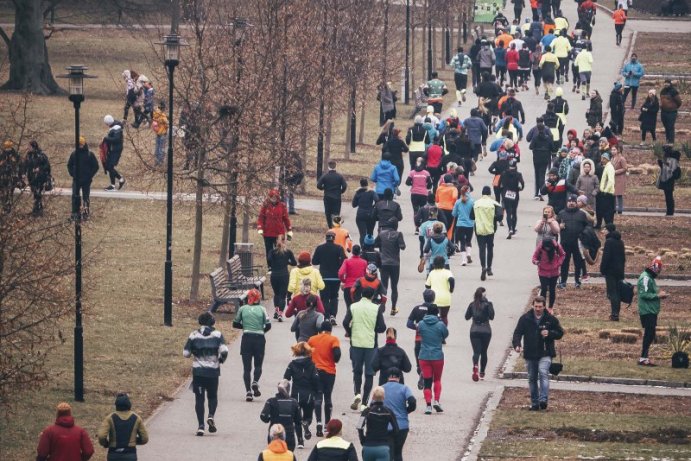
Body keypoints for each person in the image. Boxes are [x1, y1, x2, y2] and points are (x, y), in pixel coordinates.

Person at [512, 296, 564, 410]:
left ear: (544, 306)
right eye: (536, 306)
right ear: (532, 306)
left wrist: (550, 333)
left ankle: (543, 400)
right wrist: (517, 345)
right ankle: (535, 403)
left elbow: (560, 332)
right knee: (532, 378)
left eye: (540, 307)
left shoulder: (550, 319)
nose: (538, 309)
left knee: (543, 372)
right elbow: (517, 333)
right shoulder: (525, 318)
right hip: (530, 353)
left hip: (545, 352)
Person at [183, 312, 229, 435]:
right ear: (212, 322)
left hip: (198, 372)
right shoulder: (217, 335)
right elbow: (224, 351)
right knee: (212, 396)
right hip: (213, 372)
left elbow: (186, 353)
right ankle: (211, 416)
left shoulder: (193, 335)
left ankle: (201, 426)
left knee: (199, 398)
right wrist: (220, 360)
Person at [343, 286, 387, 412]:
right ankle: (364, 402)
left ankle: (357, 393)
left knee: (357, 371)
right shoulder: (376, 308)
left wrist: (350, 332)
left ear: (361, 295)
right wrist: (374, 330)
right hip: (370, 344)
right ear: (372, 296)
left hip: (356, 342)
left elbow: (346, 322)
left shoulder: (353, 306)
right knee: (369, 373)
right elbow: (382, 327)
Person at [233, 289, 271, 402]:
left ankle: (248, 392)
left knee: (246, 368)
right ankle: (255, 381)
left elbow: (235, 323)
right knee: (258, 365)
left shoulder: (242, 309)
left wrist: (245, 327)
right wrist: (261, 330)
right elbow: (268, 325)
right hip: (259, 339)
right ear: (259, 299)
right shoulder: (262, 309)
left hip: (247, 338)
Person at [284, 342, 321, 441]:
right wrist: (318, 390)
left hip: (296, 394)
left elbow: (286, 378)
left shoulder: (292, 364)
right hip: (309, 395)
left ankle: (300, 439)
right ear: (308, 352)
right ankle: (306, 424)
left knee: (296, 418)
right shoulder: (312, 365)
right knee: (308, 416)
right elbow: (315, 378)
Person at [308, 321, 341, 433]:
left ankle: (318, 423)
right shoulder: (333, 340)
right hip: (329, 372)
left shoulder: (312, 339)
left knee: (317, 397)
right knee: (327, 397)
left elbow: (307, 354)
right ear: (330, 330)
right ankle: (327, 423)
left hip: (315, 371)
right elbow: (337, 355)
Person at [97, 393, 148, 460]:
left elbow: (101, 436)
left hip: (114, 454)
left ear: (116, 405)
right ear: (129, 404)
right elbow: (144, 438)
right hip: (130, 454)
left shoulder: (110, 418)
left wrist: (106, 443)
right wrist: (134, 441)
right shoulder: (136, 418)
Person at [417, 303, 448, 414]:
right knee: (437, 380)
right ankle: (437, 401)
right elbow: (445, 335)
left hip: (424, 356)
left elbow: (419, 331)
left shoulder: (421, 324)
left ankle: (428, 406)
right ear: (437, 313)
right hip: (437, 356)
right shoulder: (440, 325)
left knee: (427, 381)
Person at [313, 230, 348, 324]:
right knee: (334, 296)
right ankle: (333, 315)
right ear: (334, 238)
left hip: (323, 277)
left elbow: (314, 261)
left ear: (326, 238)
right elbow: (344, 261)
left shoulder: (320, 248)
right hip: (335, 277)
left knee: (324, 297)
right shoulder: (339, 248)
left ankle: (326, 316)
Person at [637, 256, 666, 366]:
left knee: (650, 334)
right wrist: (658, 296)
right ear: (655, 268)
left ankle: (645, 357)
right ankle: (643, 358)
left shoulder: (650, 278)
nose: (658, 273)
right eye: (658, 270)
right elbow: (644, 294)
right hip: (647, 311)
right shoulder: (646, 278)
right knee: (649, 334)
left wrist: (659, 294)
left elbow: (650, 291)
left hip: (651, 311)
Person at [382, 368, 416, 461]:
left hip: (386, 426)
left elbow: (373, 405)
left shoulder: (381, 388)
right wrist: (406, 411)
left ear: (387, 377)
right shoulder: (404, 388)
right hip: (402, 426)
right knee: (398, 452)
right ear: (399, 377)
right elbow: (412, 402)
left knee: (388, 452)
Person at [557, 195, 590, 288]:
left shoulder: (582, 214)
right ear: (567, 202)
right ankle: (563, 281)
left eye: (573, 201)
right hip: (565, 243)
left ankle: (577, 281)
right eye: (569, 201)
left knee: (578, 262)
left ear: (576, 203)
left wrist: (584, 234)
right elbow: (555, 227)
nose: (571, 203)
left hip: (577, 243)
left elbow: (587, 226)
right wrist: (560, 226)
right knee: (564, 263)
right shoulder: (561, 213)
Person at [357, 386, 398, 461]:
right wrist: (387, 438)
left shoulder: (367, 411)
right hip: (383, 447)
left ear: (373, 397)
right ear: (383, 397)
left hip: (368, 445)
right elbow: (396, 429)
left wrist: (362, 439)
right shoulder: (388, 411)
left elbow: (359, 426)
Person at [260, 380, 304, 451]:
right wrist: (300, 439)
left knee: (273, 456)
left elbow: (264, 417)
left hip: (274, 435)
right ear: (288, 389)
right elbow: (298, 422)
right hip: (289, 435)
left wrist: (270, 418)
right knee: (288, 457)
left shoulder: (271, 401)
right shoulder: (294, 402)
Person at [471, 186, 503, 281]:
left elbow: (471, 216)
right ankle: (489, 268)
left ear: (482, 193)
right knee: (490, 247)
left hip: (479, 228)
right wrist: (492, 218)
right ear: (490, 194)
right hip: (490, 228)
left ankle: (483, 267)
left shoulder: (476, 203)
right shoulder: (494, 203)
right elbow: (500, 217)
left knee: (481, 248)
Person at [464, 287, 495, 381]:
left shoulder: (472, 304)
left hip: (474, 330)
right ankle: (482, 372)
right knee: (484, 352)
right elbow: (492, 316)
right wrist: (488, 304)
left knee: (476, 352)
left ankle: (475, 365)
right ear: (484, 295)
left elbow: (467, 317)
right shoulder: (488, 304)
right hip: (486, 330)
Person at [374, 226, 406, 315]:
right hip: (395, 264)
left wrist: (382, 245)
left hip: (383, 263)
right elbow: (403, 246)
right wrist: (398, 245)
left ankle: (383, 304)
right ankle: (393, 308)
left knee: (384, 285)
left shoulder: (381, 234)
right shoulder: (398, 234)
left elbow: (374, 244)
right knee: (394, 286)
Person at [258, 188, 293, 265]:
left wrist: (289, 230)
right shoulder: (265, 205)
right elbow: (261, 217)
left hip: (279, 233)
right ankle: (270, 266)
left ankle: (280, 265)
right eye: (272, 197)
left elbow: (286, 219)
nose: (274, 199)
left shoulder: (282, 206)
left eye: (275, 197)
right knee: (269, 250)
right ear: (269, 198)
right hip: (268, 233)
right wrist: (260, 228)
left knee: (280, 250)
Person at [67, 136, 99, 220]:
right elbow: (69, 165)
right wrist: (73, 174)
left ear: (84, 144)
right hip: (76, 180)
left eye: (81, 144)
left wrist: (90, 175)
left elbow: (96, 166)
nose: (79, 146)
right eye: (78, 144)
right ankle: (75, 213)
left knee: (85, 197)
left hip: (86, 180)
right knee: (75, 196)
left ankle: (85, 213)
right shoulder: (74, 154)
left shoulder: (90, 154)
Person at [600, 223, 625, 321]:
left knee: (612, 292)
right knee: (617, 292)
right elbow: (623, 258)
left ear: (608, 230)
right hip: (619, 271)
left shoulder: (609, 242)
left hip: (610, 271)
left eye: (605, 229)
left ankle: (614, 314)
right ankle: (616, 313)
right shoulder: (620, 241)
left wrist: (602, 269)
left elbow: (606, 257)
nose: (603, 231)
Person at [532, 238, 566, 312]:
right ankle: (543, 307)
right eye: (545, 247)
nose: (547, 249)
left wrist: (558, 263)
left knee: (552, 289)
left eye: (548, 247)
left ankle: (550, 307)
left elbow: (563, 255)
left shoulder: (557, 246)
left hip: (554, 271)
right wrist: (537, 262)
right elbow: (534, 257)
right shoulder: (540, 247)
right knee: (544, 289)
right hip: (542, 271)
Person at [269, 235, 297, 321]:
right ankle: (280, 313)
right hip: (284, 275)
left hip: (274, 275)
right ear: (284, 241)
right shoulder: (288, 252)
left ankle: (276, 310)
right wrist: (287, 262)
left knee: (276, 294)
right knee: (282, 296)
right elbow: (294, 263)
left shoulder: (272, 252)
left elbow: (269, 261)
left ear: (276, 241)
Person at [527, 117, 554, 198]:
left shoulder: (535, 137)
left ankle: (536, 193)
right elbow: (553, 148)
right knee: (542, 174)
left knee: (537, 174)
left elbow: (530, 146)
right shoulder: (548, 137)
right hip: (545, 157)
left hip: (536, 157)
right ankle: (542, 192)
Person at [23, 140, 51, 216]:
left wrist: (39, 169)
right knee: (35, 194)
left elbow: (47, 166)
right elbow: (25, 165)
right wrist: (24, 173)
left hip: (40, 178)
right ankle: (38, 210)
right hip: (31, 178)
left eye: (29, 146)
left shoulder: (41, 155)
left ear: (33, 147)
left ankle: (37, 211)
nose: (28, 148)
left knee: (37, 193)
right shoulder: (28, 155)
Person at [317, 160, 348, 228]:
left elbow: (318, 185)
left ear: (328, 167)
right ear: (335, 166)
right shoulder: (339, 176)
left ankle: (330, 226)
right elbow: (345, 186)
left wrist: (323, 188)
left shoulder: (325, 176)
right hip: (337, 197)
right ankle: (336, 227)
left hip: (327, 196)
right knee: (336, 213)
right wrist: (341, 191)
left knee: (328, 213)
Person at [425, 255, 455, 325]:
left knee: (434, 316)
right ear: (444, 263)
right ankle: (443, 331)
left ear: (434, 264)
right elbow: (451, 279)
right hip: (445, 298)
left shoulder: (432, 273)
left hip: (434, 299)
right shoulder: (447, 272)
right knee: (444, 316)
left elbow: (427, 285)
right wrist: (451, 289)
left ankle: (435, 330)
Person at [499, 159, 525, 238]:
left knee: (508, 213)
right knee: (514, 212)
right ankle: (513, 229)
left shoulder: (503, 173)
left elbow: (500, 184)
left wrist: (502, 191)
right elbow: (522, 184)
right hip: (515, 193)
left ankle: (509, 228)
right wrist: (520, 189)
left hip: (506, 193)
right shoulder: (518, 174)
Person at [339, 246, 368, 313]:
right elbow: (366, 275)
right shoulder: (364, 262)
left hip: (348, 287)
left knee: (349, 307)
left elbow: (340, 273)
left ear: (352, 252)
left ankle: (349, 321)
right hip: (359, 288)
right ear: (359, 252)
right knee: (358, 308)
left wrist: (344, 281)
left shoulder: (347, 261)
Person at [102, 114, 126, 191]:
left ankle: (113, 185)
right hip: (114, 149)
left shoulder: (116, 128)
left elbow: (116, 139)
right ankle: (120, 179)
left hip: (116, 149)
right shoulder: (116, 124)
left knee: (109, 166)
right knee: (108, 166)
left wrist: (106, 138)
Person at [452, 185, 475, 265]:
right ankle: (468, 254)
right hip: (470, 224)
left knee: (462, 242)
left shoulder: (458, 202)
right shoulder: (472, 201)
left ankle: (464, 260)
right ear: (468, 191)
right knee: (468, 241)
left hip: (460, 224)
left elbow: (454, 214)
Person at [352, 178, 379, 246]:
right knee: (370, 233)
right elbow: (377, 200)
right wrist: (373, 206)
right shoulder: (371, 192)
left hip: (360, 214)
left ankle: (362, 248)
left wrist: (360, 202)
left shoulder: (358, 192)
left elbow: (354, 205)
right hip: (370, 214)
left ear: (360, 184)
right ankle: (370, 247)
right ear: (367, 184)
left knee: (362, 234)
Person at [657, 145, 681, 216]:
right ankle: (669, 212)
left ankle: (670, 212)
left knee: (669, 197)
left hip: (669, 180)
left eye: (664, 151)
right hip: (667, 179)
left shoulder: (671, 160)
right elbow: (663, 167)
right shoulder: (667, 159)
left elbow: (670, 169)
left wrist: (662, 162)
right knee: (668, 197)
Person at [407, 157, 433, 223]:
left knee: (416, 211)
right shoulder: (426, 173)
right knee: (423, 210)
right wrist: (425, 186)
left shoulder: (412, 172)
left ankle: (416, 227)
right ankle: (422, 226)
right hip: (423, 194)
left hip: (414, 193)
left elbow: (407, 182)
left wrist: (413, 184)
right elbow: (430, 185)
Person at [660, 79, 683, 144]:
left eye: (667, 83)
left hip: (671, 112)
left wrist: (673, 107)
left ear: (670, 84)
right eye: (665, 83)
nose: (666, 84)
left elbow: (679, 102)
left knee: (670, 127)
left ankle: (671, 142)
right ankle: (667, 140)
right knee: (666, 127)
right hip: (663, 112)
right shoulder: (662, 91)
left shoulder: (673, 91)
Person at [597, 153, 616, 228]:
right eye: (601, 158)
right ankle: (606, 225)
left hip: (608, 193)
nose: (602, 160)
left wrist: (605, 191)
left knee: (608, 212)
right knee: (604, 210)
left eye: (603, 158)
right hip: (605, 192)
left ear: (607, 159)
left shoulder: (610, 167)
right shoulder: (607, 167)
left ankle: (609, 226)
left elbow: (611, 181)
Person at [611, 146, 628, 214]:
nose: (613, 151)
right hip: (613, 178)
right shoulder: (612, 158)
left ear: (618, 150)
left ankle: (620, 209)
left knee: (619, 195)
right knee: (613, 194)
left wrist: (616, 171)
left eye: (614, 150)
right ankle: (614, 208)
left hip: (620, 178)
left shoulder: (621, 158)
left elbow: (625, 168)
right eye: (612, 150)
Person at [152, 100, 168, 165]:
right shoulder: (163, 115)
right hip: (162, 133)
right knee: (162, 148)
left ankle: (156, 161)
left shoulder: (155, 113)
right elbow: (167, 124)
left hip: (157, 132)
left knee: (157, 148)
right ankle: (160, 162)